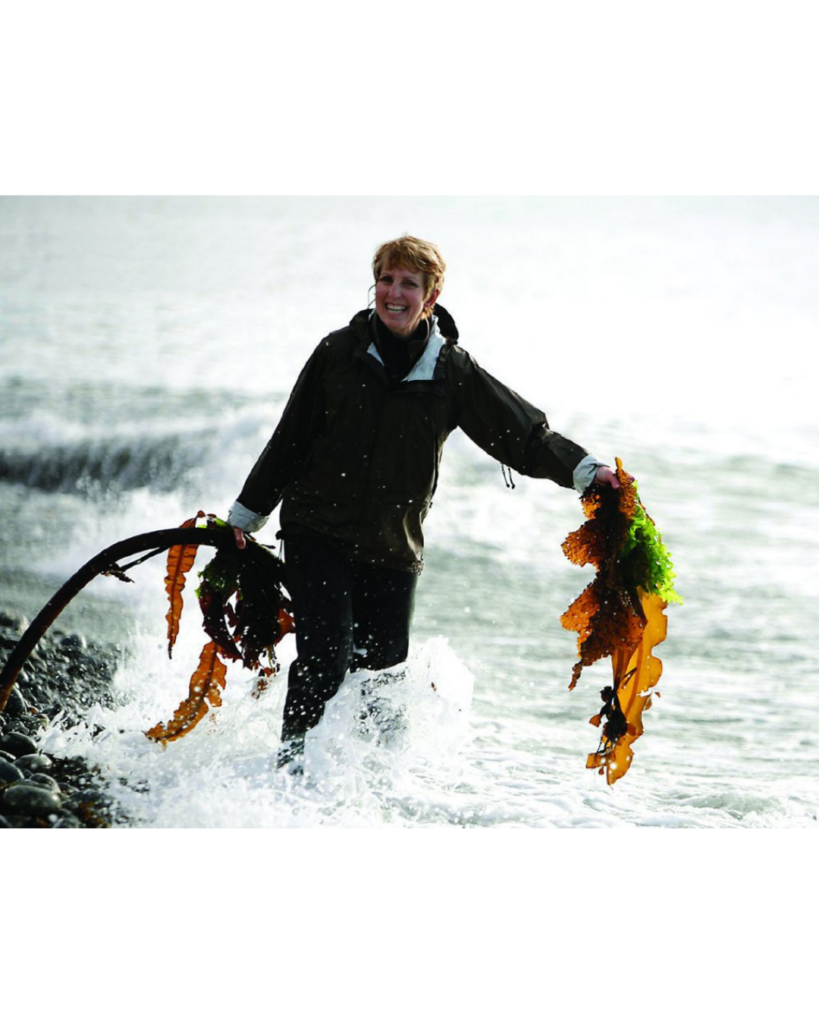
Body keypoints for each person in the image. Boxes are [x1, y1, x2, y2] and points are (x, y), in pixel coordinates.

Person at [227, 235, 619, 765]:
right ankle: (290, 772)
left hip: (393, 546)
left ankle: (368, 791)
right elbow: (290, 439)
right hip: (316, 529)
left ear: (430, 297)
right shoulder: (336, 353)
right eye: (386, 280)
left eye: (408, 283)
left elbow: (521, 433)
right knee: (325, 657)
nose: (394, 292)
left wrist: (585, 472)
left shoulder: (450, 370)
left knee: (383, 678)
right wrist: (245, 517)